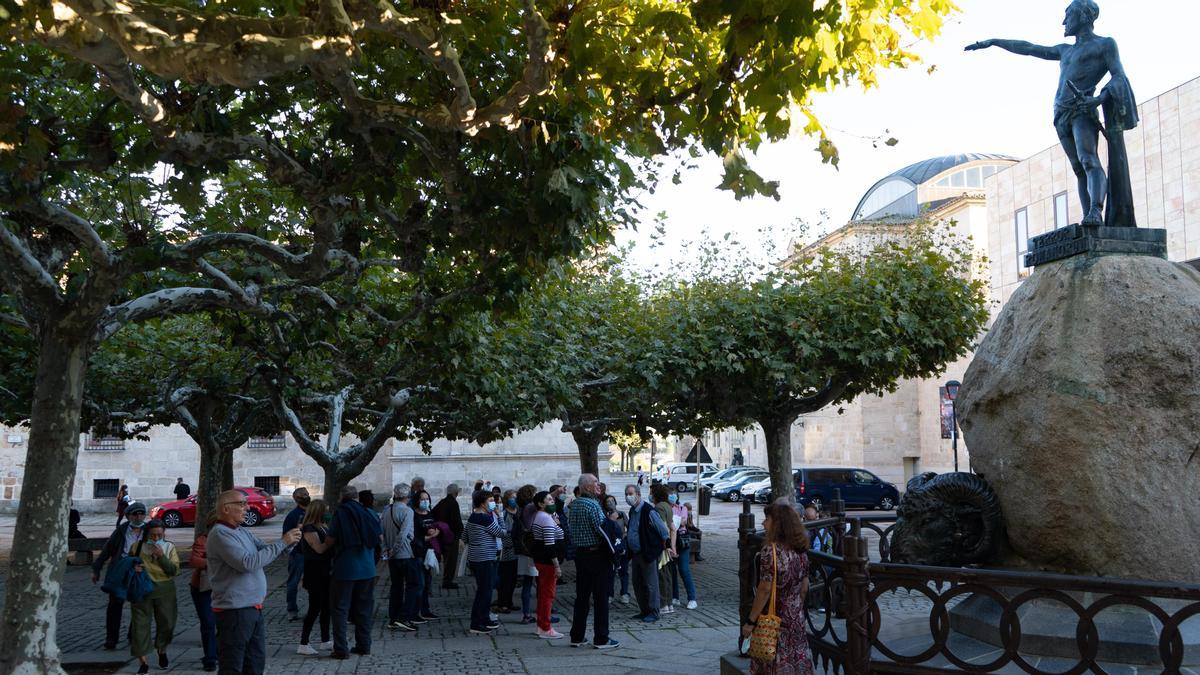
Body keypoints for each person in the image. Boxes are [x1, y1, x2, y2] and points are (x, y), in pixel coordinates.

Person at [965, 0, 1138, 227]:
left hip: (1081, 110)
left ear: (1084, 16)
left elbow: (1119, 76)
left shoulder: (1104, 45)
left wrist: (1098, 99)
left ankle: (1096, 211)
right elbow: (1028, 48)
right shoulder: (1065, 50)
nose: (1064, 21)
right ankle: (1089, 217)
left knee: (1088, 160)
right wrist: (996, 42)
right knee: (1078, 168)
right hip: (1060, 113)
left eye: (1069, 15)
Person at [207, 489, 301, 675]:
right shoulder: (220, 534)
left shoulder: (241, 531)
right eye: (242, 504)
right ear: (226, 508)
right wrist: (283, 542)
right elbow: (248, 563)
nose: (247, 508)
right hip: (234, 611)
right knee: (232, 664)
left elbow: (267, 552)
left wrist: (292, 541)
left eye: (246, 503)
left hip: (252, 608)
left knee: (255, 662)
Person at [742, 502, 814, 675]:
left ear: (777, 524)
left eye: (767, 519)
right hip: (796, 616)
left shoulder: (770, 551)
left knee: (773, 660)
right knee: (796, 659)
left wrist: (751, 621)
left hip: (775, 617)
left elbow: (764, 589)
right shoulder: (801, 551)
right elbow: (804, 587)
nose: (763, 523)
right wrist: (795, 606)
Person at [325, 484, 382, 659]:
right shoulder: (369, 513)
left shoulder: (340, 513)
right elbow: (378, 538)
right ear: (356, 497)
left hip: (345, 568)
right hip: (367, 568)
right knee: (364, 609)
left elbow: (330, 539)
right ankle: (364, 645)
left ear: (342, 497)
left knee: (340, 609)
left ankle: (341, 649)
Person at [567, 474, 619, 649]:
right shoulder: (592, 505)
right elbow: (602, 530)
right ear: (588, 486)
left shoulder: (574, 505)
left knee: (582, 597)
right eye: (596, 482)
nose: (599, 485)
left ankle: (577, 636)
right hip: (597, 555)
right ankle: (601, 638)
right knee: (600, 598)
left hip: (581, 555)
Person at [93, 500, 148, 650]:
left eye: (141, 513)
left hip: (140, 571)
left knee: (139, 604)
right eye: (135, 514)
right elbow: (107, 550)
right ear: (128, 516)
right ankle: (111, 639)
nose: (138, 517)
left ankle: (133, 634)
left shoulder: (149, 530)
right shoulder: (121, 531)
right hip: (122, 569)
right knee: (115, 605)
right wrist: (96, 569)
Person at [128, 519, 179, 673]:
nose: (156, 538)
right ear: (146, 534)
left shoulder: (169, 547)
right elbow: (127, 565)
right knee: (140, 626)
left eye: (159, 534)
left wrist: (162, 557)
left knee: (167, 623)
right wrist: (133, 568)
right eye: (153, 535)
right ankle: (142, 661)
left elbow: (174, 571)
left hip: (164, 590)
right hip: (142, 590)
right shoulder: (136, 547)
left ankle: (162, 649)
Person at [382, 482, 422, 631]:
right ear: (408, 496)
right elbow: (403, 534)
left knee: (396, 587)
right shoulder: (408, 511)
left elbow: (382, 533)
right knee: (414, 585)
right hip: (405, 554)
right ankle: (404, 617)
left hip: (392, 556)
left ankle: (393, 618)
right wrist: (394, 550)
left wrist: (386, 550)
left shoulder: (387, 510)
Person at [464, 489, 505, 634]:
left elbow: (464, 537)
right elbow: (502, 532)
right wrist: (500, 517)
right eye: (491, 501)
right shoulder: (485, 518)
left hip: (476, 557)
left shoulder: (473, 517)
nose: (493, 503)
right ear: (482, 503)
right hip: (485, 558)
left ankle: (484, 618)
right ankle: (476, 622)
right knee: (484, 591)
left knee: (485, 589)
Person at [625, 484, 668, 623]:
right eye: (626, 494)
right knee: (637, 582)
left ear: (638, 494)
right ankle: (644, 610)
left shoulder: (649, 511)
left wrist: (662, 548)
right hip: (635, 552)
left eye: (630, 493)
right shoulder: (632, 511)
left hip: (647, 552)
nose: (628, 496)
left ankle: (654, 611)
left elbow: (663, 531)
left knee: (651, 583)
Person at [296, 499, 334, 655]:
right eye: (325, 510)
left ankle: (325, 640)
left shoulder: (322, 526)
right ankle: (303, 643)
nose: (327, 513)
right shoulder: (309, 528)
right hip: (315, 572)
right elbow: (319, 549)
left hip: (325, 570)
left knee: (326, 607)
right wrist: (332, 541)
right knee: (314, 607)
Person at [530, 490, 564, 639]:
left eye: (552, 499)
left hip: (541, 560)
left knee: (544, 593)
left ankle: (541, 625)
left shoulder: (543, 516)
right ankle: (545, 627)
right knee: (547, 595)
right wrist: (556, 565)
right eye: (549, 500)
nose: (552, 502)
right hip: (547, 562)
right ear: (540, 504)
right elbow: (549, 544)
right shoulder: (545, 519)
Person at [189, 514, 220, 672]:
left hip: (223, 588)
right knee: (208, 622)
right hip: (203, 588)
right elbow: (194, 560)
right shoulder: (203, 540)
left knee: (223, 622)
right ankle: (210, 657)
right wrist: (215, 564)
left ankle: (219, 652)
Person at [411, 489, 440, 620]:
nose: (425, 501)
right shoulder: (413, 515)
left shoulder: (430, 513)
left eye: (427, 498)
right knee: (419, 583)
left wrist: (435, 532)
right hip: (418, 552)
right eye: (422, 499)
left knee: (427, 582)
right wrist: (428, 537)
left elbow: (438, 527)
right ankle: (415, 611)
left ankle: (425, 609)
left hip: (430, 551)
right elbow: (415, 536)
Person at [283, 487, 310, 621]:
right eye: (302, 495)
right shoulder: (293, 516)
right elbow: (286, 537)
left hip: (314, 554)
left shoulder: (314, 512)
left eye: (306, 494)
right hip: (298, 553)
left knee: (314, 582)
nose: (305, 496)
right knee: (293, 582)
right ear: (296, 499)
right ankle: (292, 610)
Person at [650, 483, 678, 616]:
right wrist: (672, 546)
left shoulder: (659, 507)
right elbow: (673, 528)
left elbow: (662, 528)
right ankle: (668, 604)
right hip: (666, 545)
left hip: (661, 546)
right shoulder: (667, 506)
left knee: (661, 575)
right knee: (666, 575)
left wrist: (666, 546)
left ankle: (663, 604)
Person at [514, 484, 539, 624]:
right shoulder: (530, 507)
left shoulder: (520, 508)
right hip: (532, 549)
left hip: (524, 550)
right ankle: (537, 612)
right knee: (537, 582)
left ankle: (527, 613)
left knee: (528, 583)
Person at [669, 486, 698, 609]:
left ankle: (692, 598)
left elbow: (683, 522)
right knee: (672, 572)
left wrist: (673, 521)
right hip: (669, 543)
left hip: (681, 542)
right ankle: (675, 597)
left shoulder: (682, 508)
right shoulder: (665, 508)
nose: (672, 496)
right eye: (670, 494)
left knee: (684, 570)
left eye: (673, 494)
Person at [431, 484, 464, 589]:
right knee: (451, 560)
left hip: (441, 534)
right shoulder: (453, 503)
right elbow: (457, 521)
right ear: (456, 493)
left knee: (446, 558)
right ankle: (447, 581)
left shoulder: (442, 502)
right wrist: (459, 535)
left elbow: (433, 513)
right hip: (451, 536)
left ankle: (446, 579)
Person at [494, 489, 519, 614]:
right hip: (507, 551)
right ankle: (502, 603)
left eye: (515, 497)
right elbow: (502, 533)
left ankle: (509, 602)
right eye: (512, 497)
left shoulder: (518, 512)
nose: (514, 500)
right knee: (505, 579)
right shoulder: (504, 514)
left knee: (513, 579)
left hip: (516, 551)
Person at [604, 494, 630, 604]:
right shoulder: (604, 516)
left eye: (612, 501)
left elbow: (629, 527)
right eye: (608, 501)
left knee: (623, 570)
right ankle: (610, 594)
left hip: (621, 545)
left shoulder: (621, 514)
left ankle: (624, 593)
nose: (610, 503)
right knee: (610, 572)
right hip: (610, 547)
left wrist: (625, 535)